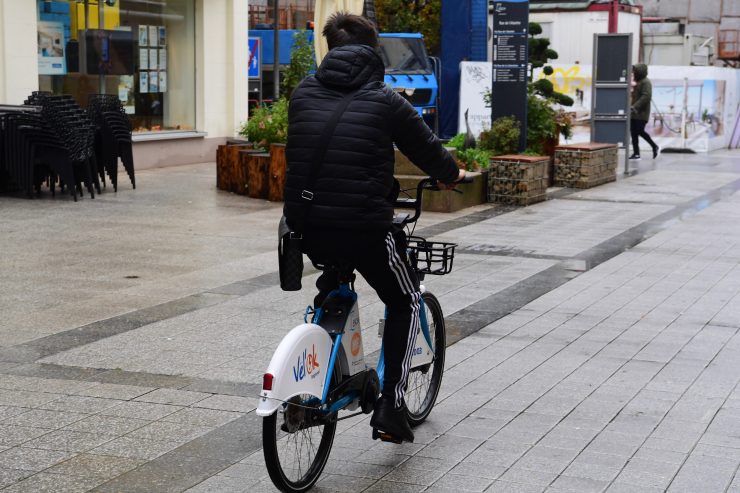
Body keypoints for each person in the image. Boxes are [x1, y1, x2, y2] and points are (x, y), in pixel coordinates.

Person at [283, 12, 464, 443]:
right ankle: (391, 407)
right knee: (403, 299)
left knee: (336, 274)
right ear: (372, 49)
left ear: (329, 48)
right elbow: (428, 149)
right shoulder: (385, 99)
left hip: (305, 224)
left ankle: (329, 355)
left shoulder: (302, 92)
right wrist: (452, 175)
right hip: (364, 225)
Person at [630, 64, 659, 160]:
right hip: (634, 112)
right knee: (633, 133)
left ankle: (654, 146)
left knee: (639, 130)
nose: (633, 73)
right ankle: (636, 153)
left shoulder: (646, 82)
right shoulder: (638, 82)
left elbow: (646, 96)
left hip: (642, 112)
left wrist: (635, 106)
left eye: (635, 71)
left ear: (640, 71)